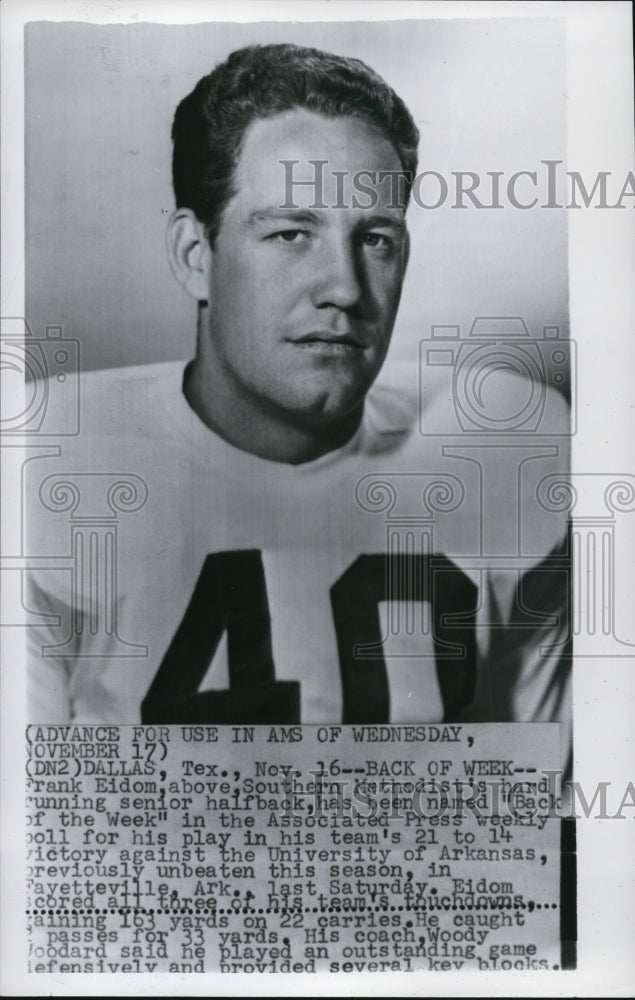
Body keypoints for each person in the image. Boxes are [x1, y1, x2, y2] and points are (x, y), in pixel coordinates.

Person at [25, 44, 571, 764]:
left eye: (374, 238)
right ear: (195, 255)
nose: (343, 288)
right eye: (290, 233)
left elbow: (545, 819)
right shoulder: (47, 457)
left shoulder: (505, 441)